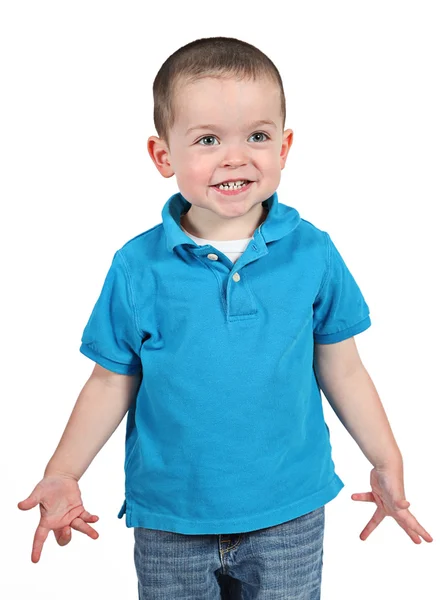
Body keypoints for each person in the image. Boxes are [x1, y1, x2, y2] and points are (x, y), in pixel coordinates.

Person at [18, 36, 433, 599]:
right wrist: (64, 471)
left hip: (289, 512)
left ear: (284, 147)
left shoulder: (313, 253)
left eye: (257, 136)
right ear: (163, 156)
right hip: (172, 518)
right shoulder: (138, 265)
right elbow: (112, 378)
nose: (235, 157)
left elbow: (344, 369)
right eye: (208, 139)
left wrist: (386, 458)